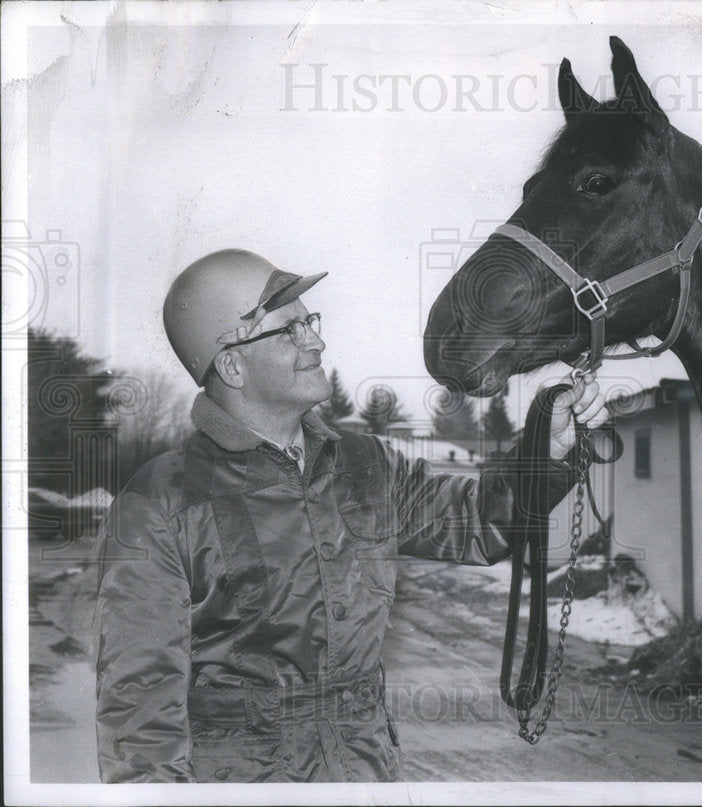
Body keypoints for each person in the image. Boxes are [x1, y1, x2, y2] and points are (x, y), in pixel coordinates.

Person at [95, 249, 608, 783]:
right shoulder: (159, 504)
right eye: (289, 330)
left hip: (366, 774)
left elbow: (479, 521)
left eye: (310, 323)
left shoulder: (367, 465)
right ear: (231, 363)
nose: (315, 341)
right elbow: (140, 714)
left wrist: (544, 452)